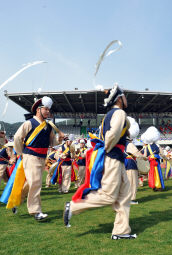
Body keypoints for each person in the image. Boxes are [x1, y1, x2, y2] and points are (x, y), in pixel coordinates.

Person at [64, 84, 136, 240]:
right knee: (109, 196)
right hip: (113, 157)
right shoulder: (119, 113)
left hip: (116, 158)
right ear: (119, 98)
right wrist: (110, 148)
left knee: (124, 195)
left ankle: (121, 231)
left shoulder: (111, 114)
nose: (126, 98)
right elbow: (111, 135)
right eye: (124, 96)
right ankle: (74, 207)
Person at [13, 96, 64, 220]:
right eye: (45, 109)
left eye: (49, 110)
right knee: (36, 182)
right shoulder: (29, 123)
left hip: (42, 157)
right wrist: (21, 153)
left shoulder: (48, 126)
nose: (48, 112)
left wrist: (59, 139)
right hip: (30, 156)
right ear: (38, 110)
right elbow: (17, 138)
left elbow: (52, 142)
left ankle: (16, 200)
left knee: (32, 183)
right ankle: (36, 211)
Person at [125, 117, 145, 204]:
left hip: (124, 164)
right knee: (132, 182)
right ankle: (131, 199)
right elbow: (136, 153)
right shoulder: (129, 144)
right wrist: (144, 157)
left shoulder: (122, 143)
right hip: (130, 164)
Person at [142, 126, 165, 191]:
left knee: (152, 174)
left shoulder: (146, 147)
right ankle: (159, 186)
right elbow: (162, 154)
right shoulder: (158, 145)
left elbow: (145, 157)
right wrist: (166, 159)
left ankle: (154, 186)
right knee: (158, 173)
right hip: (157, 162)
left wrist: (143, 158)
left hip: (150, 163)